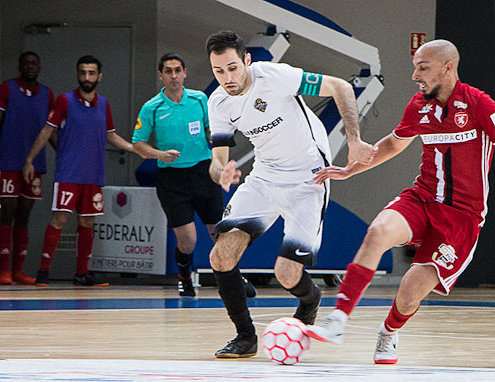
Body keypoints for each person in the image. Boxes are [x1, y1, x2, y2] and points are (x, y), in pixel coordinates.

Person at [307, 39, 495, 364]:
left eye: (422, 68)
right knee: (378, 231)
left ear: (447, 67)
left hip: (461, 216)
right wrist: (351, 171)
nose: (415, 75)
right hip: (422, 198)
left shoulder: (480, 104)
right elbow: (393, 145)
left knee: (411, 291)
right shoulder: (418, 105)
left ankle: (388, 332)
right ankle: (338, 319)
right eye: (415, 67)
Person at [205, 30, 375, 358]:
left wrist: (354, 140)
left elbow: (339, 86)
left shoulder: (275, 76)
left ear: (247, 61)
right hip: (264, 178)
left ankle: (310, 301)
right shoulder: (219, 103)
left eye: (232, 68)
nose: (227, 77)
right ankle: (245, 337)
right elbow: (218, 160)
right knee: (220, 257)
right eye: (218, 71)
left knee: (286, 274)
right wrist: (220, 172)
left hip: (308, 179)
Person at [23, 55, 136, 287]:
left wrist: (135, 148)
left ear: (99, 76)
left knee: (87, 223)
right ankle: (44, 271)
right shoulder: (64, 100)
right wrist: (30, 159)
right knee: (60, 219)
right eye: (83, 73)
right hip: (69, 173)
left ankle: (82, 274)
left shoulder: (104, 104)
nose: (87, 77)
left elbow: (111, 135)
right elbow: (47, 130)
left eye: (91, 73)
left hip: (93, 175)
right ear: (77, 74)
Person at [132, 53, 224, 297]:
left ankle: (233, 278)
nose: (173, 75)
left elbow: (209, 130)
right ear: (161, 75)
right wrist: (158, 154)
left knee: (220, 233)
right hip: (172, 179)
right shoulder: (152, 107)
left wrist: (216, 146)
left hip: (203, 173)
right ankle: (184, 276)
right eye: (168, 71)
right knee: (188, 240)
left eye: (177, 70)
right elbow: (138, 144)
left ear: (185, 73)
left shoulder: (199, 99)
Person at [0, 51, 54, 285]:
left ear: (40, 66)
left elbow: (50, 130)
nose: (30, 66)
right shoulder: (6, 88)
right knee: (6, 214)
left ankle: (19, 270)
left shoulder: (47, 94)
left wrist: (66, 154)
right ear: (20, 66)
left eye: (34, 63)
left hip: (35, 165)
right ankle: (3, 271)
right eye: (26, 63)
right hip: (9, 161)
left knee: (24, 216)